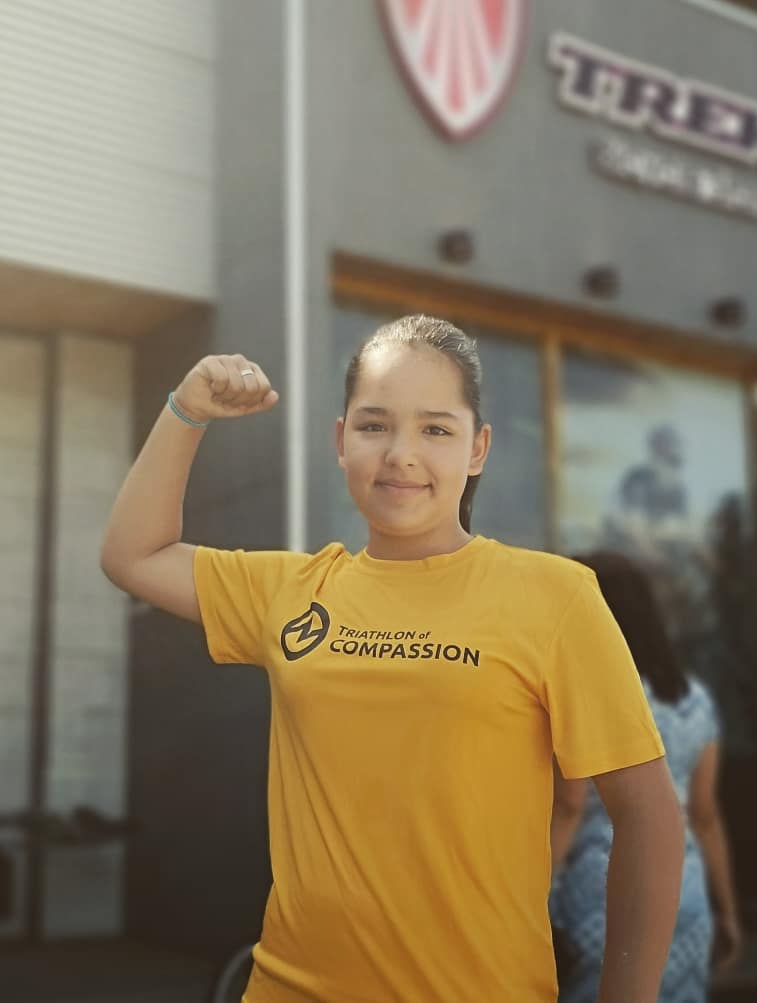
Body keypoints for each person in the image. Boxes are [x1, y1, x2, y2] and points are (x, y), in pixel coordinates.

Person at [100, 314, 685, 1003]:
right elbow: (131, 554)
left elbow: (648, 816)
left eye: (435, 428)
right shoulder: (292, 589)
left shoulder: (554, 595)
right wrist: (184, 410)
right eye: (374, 425)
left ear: (477, 448)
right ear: (339, 440)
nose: (401, 453)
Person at [550, 551, 743, 1003]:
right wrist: (727, 910)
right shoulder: (693, 699)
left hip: (599, 900)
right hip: (684, 897)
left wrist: (530, 900)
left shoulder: (588, 692)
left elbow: (569, 805)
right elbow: (705, 816)